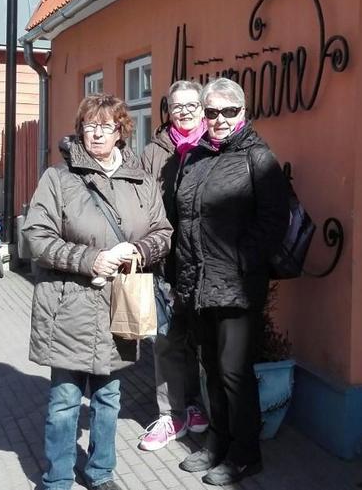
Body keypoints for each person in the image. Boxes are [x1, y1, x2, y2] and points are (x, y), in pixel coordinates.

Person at [24, 93, 172, 490]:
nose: (97, 134)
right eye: (90, 126)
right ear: (80, 130)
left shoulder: (141, 181)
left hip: (120, 304)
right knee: (64, 401)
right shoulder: (59, 178)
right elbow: (36, 236)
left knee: (108, 399)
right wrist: (91, 260)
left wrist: (138, 251)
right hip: (69, 305)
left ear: (121, 131)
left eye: (106, 126)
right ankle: (57, 478)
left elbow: (163, 233)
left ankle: (101, 472)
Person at [174, 78, 289, 486]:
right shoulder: (196, 157)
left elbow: (274, 221)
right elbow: (185, 217)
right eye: (212, 112)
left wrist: (240, 260)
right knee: (210, 367)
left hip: (236, 285)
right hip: (197, 281)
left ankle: (245, 453)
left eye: (229, 111)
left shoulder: (258, 157)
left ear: (243, 112)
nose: (219, 119)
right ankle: (217, 443)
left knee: (233, 371)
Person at [137, 80, 211, 451]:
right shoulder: (154, 152)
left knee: (199, 337)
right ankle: (171, 414)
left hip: (206, 261)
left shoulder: (215, 144)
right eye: (176, 106)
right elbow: (139, 202)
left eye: (190, 105)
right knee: (165, 339)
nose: (183, 112)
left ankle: (194, 403)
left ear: (202, 107)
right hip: (166, 260)